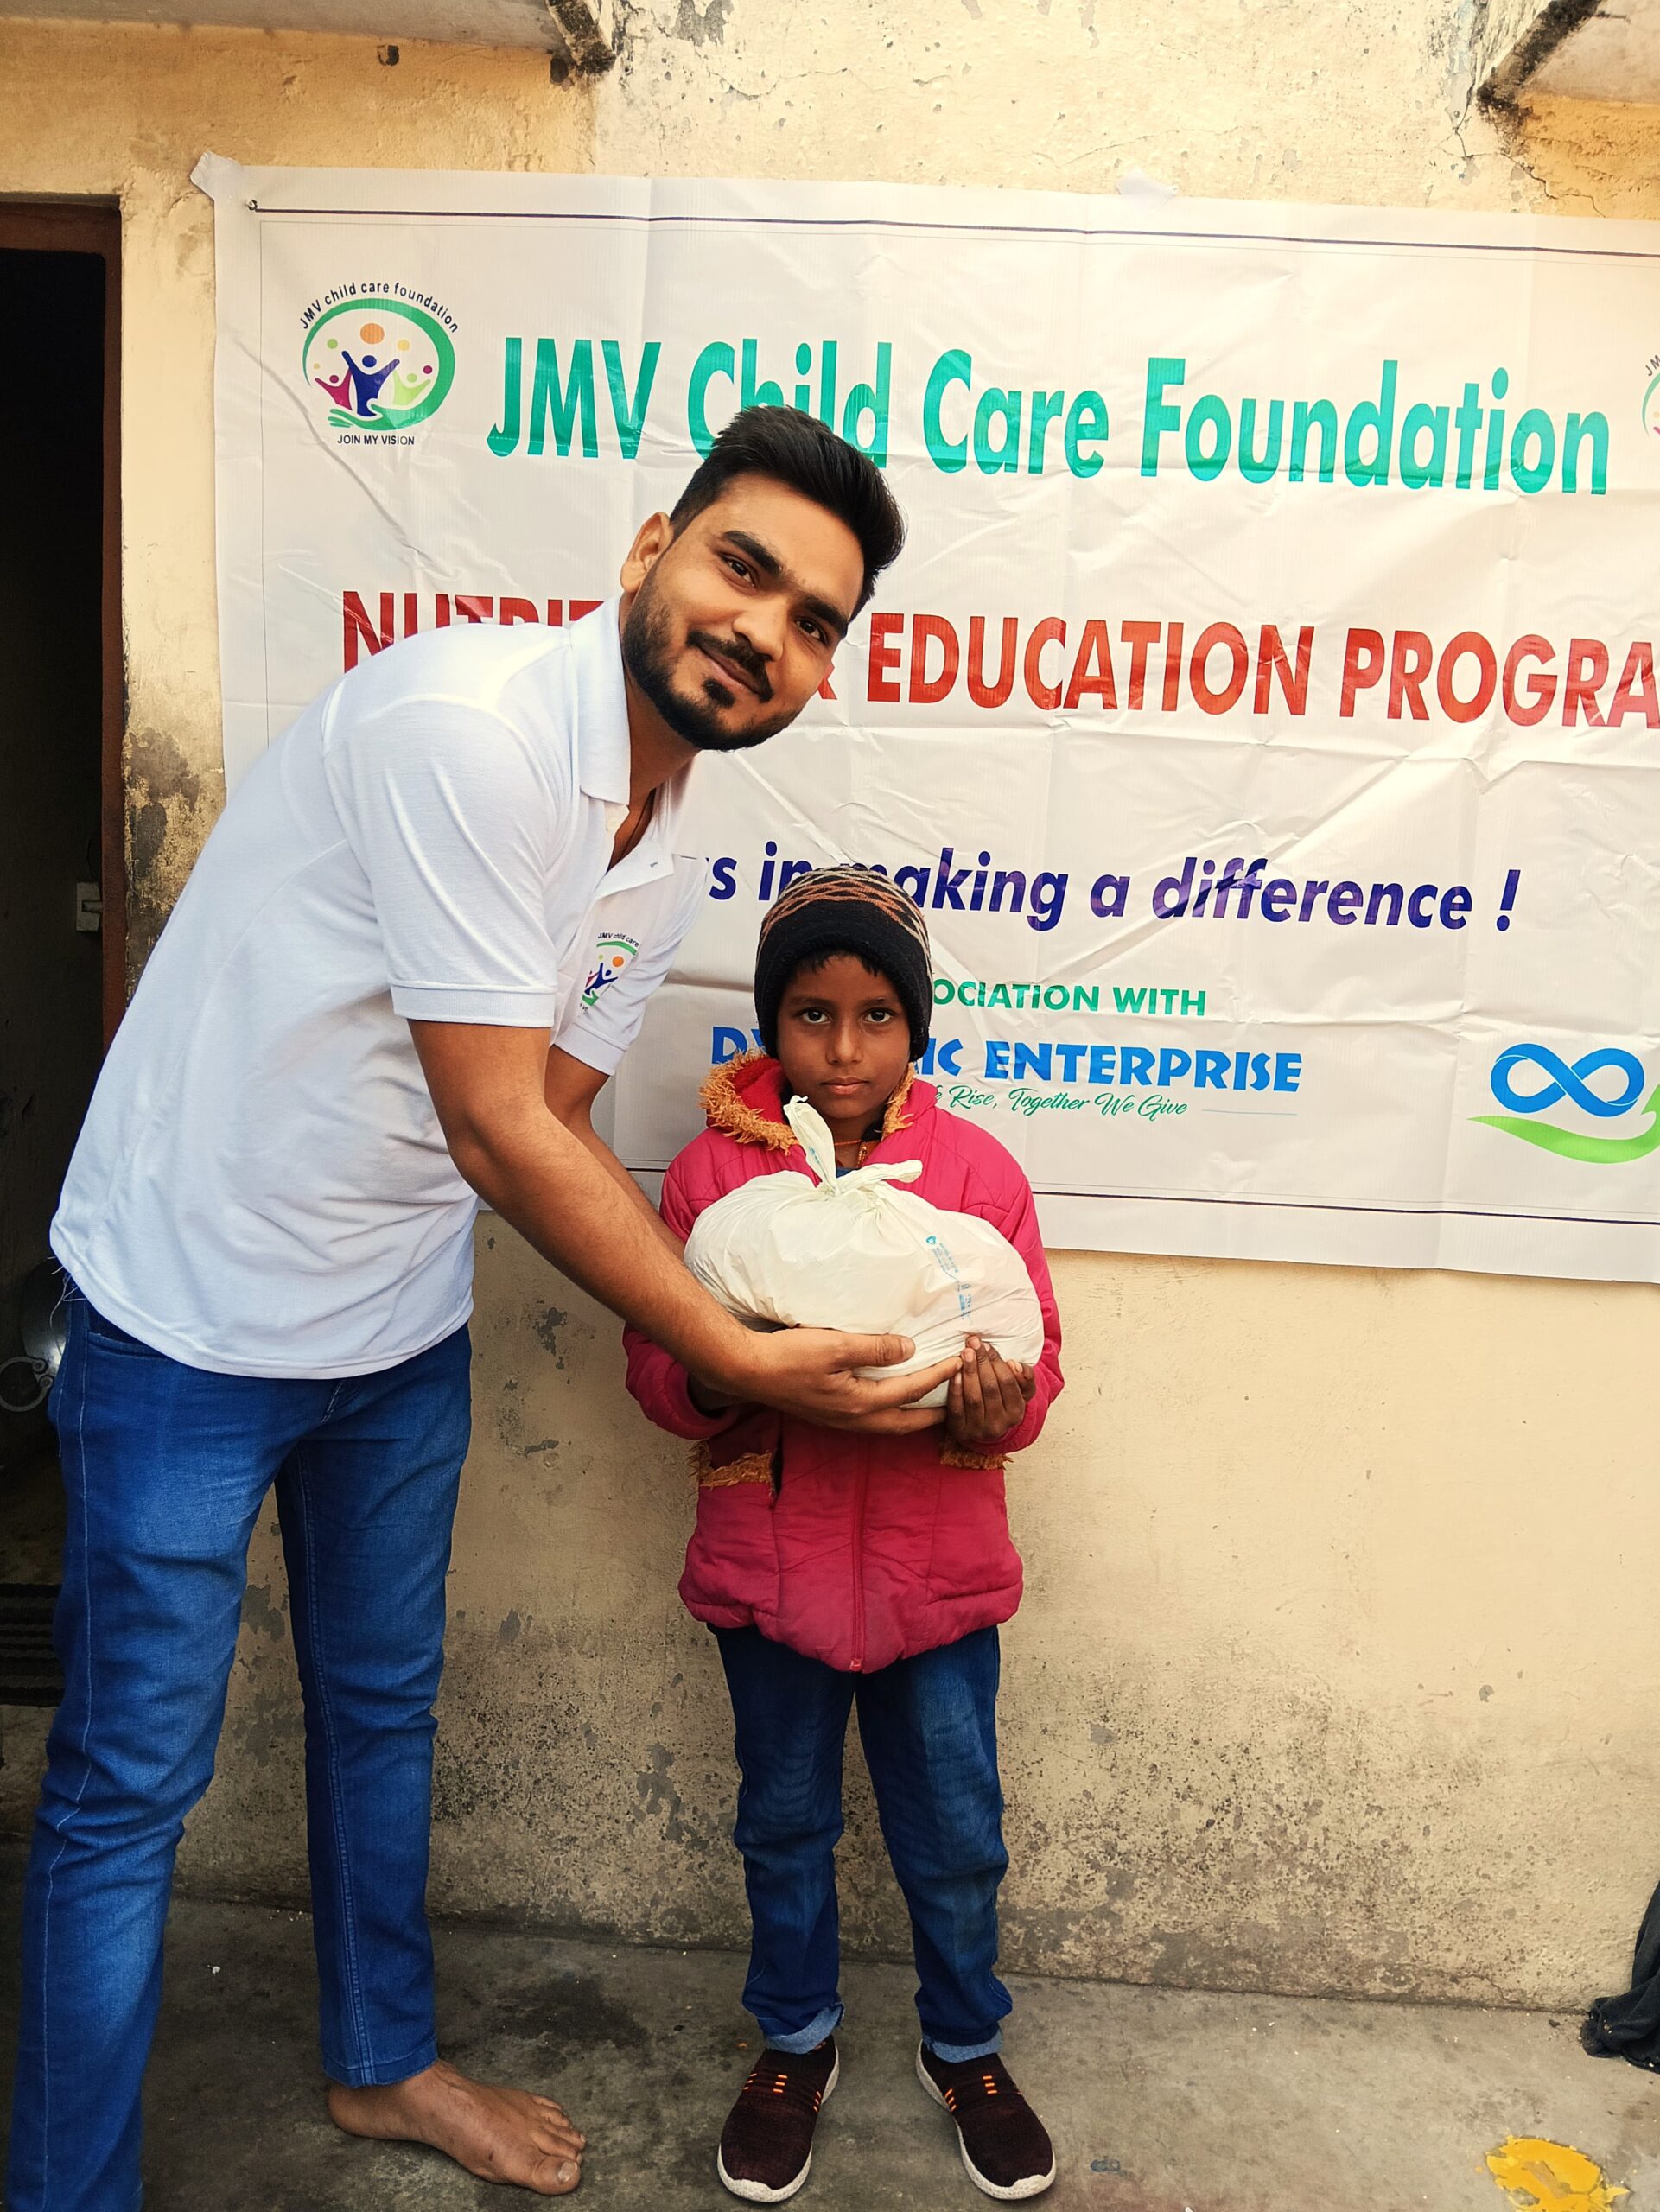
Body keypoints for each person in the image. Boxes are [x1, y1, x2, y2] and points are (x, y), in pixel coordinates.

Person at [11, 410, 957, 2212]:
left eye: (813, 619)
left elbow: (560, 1121)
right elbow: (496, 1127)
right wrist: (735, 1349)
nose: (763, 631)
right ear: (649, 550)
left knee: (381, 1709)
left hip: (390, 1319)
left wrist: (762, 1291)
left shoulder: (656, 844)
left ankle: (383, 2061)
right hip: (191, 1308)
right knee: (129, 1780)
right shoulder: (471, 731)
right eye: (743, 567)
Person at [624, 868, 1065, 2204]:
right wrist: (731, 1373)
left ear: (915, 1027)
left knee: (958, 1832)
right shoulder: (714, 1176)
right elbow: (658, 1370)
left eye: (879, 1016)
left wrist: (999, 1402)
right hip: (773, 1582)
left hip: (938, 1583)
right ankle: (794, 2043)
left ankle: (965, 2046)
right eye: (812, 1014)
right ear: (772, 1024)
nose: (846, 1048)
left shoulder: (976, 1175)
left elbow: (1038, 1366)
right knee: (782, 1825)